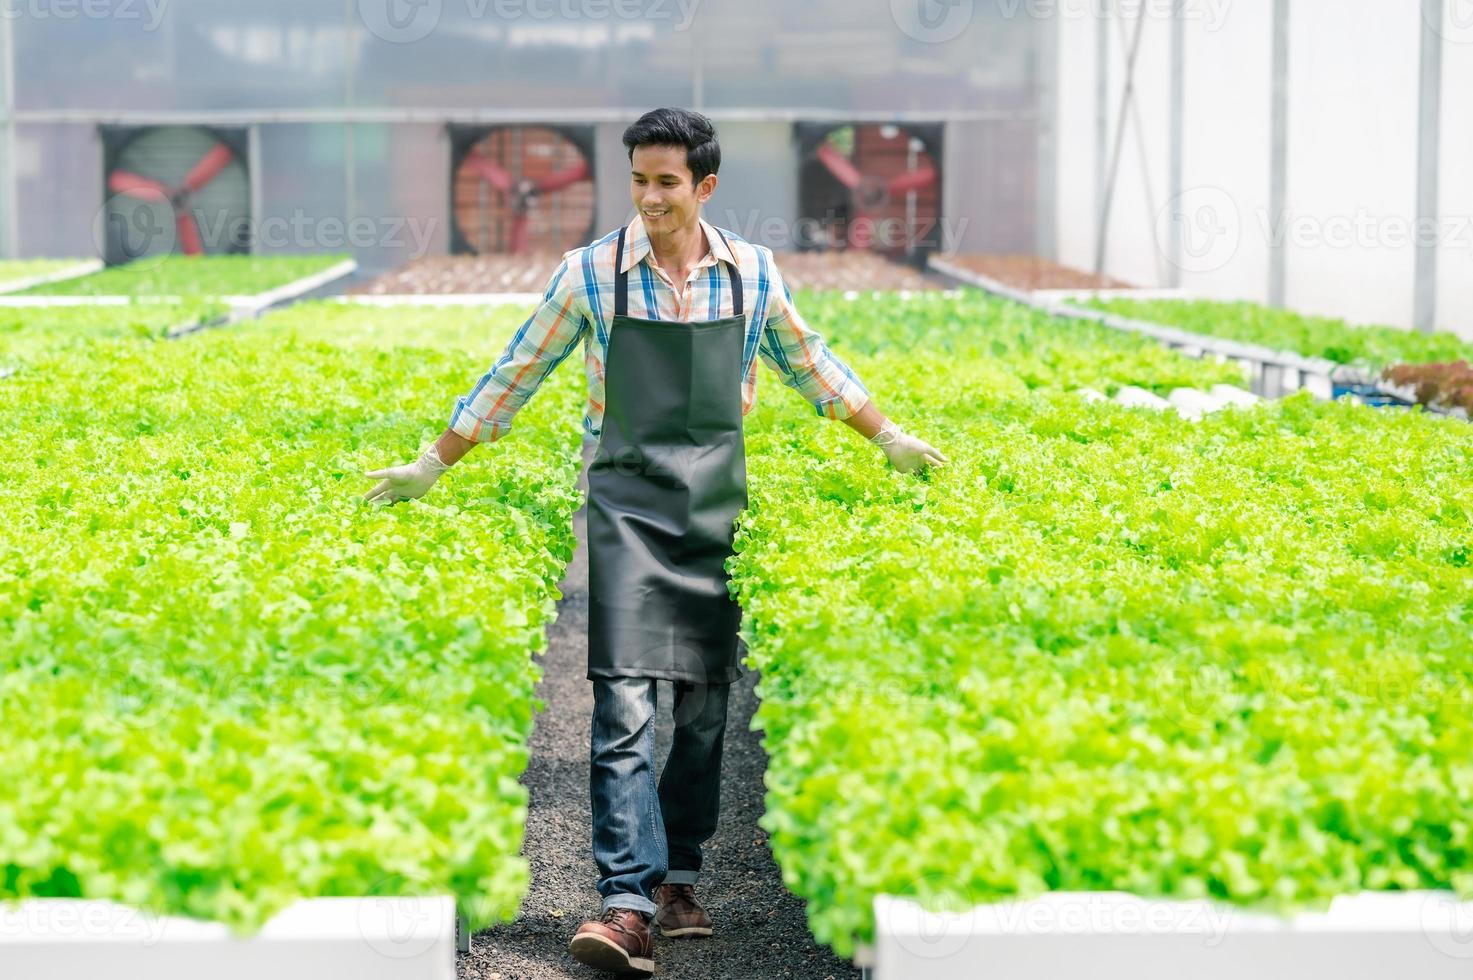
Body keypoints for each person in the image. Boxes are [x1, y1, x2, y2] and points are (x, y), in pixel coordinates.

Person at [363, 107, 946, 975]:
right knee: (623, 701)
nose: (648, 198)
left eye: (666, 182)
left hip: (716, 506)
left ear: (703, 186)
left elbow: (810, 362)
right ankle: (626, 902)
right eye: (637, 180)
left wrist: (887, 435)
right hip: (628, 505)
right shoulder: (591, 273)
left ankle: (677, 875)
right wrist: (431, 463)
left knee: (705, 712)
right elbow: (515, 373)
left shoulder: (750, 274)